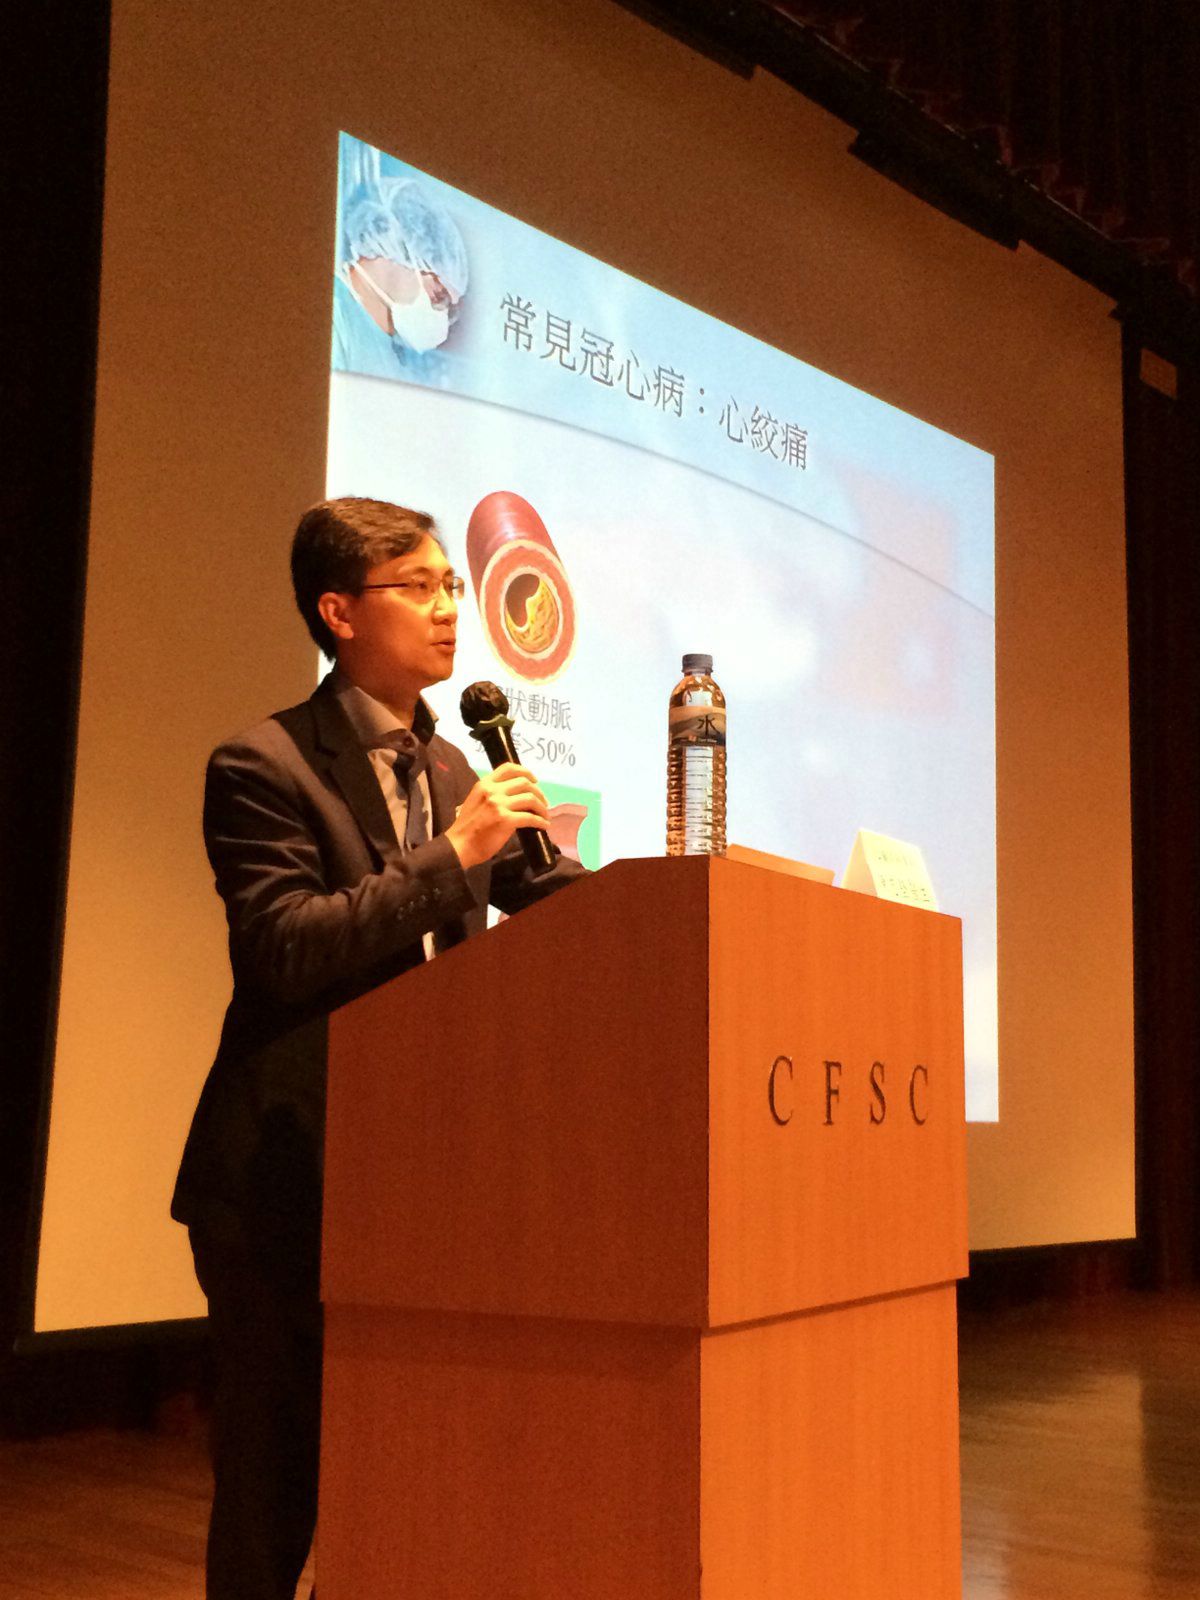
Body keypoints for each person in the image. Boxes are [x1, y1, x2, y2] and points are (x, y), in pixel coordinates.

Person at [171, 496, 583, 1600]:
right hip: (286, 1179)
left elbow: (558, 911)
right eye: (422, 585)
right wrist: (457, 855)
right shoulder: (263, 763)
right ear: (339, 612)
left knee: (407, 1468)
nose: (452, 609)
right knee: (274, 1486)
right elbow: (286, 947)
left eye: (454, 585)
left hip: (426, 1178)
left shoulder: (455, 770)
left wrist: (661, 899)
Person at [332, 177, 469, 384]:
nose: (440, 318)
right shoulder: (333, 314)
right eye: (439, 295)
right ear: (397, 247)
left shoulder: (390, 356)